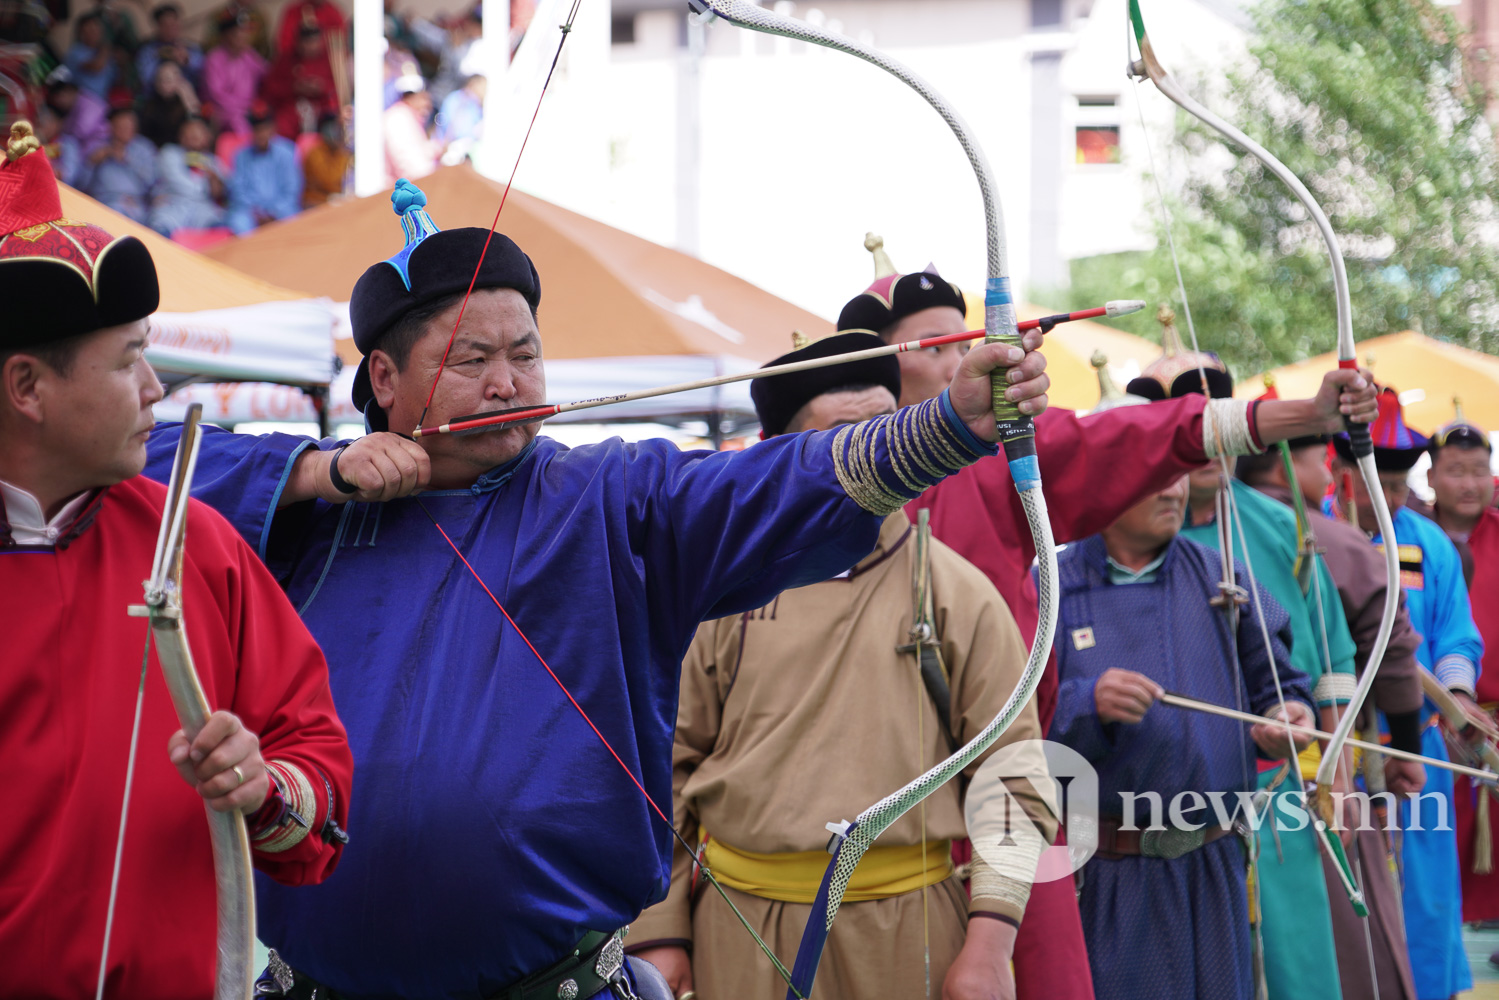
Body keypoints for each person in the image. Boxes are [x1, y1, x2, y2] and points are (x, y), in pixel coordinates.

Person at [140, 178, 1052, 999]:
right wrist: (316, 472)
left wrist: (950, 424)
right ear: (384, 378)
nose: (508, 383)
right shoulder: (305, 516)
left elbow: (773, 482)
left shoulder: (609, 499)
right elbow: (134, 468)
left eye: (526, 355)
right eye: (471, 359)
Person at [846, 235, 1379, 1000]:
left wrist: (1301, 411)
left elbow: (1130, 437)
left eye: (965, 337)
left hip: (1015, 809)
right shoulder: (812, 473)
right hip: (865, 822)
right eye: (934, 344)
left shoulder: (1006, 461)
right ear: (872, 368)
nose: (962, 356)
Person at [0, 121, 352, 997]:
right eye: (129, 361)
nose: (158, 389)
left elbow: (317, 777)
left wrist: (262, 786)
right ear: (27, 389)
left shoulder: (197, 544)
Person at [628, 332, 1056, 1000]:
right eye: (843, 435)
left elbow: (1014, 775)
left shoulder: (955, 592)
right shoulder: (715, 597)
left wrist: (989, 944)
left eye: (888, 426)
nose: (877, 451)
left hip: (906, 925)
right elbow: (660, 762)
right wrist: (660, 934)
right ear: (782, 455)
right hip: (741, 927)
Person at [1132, 310, 1356, 1000]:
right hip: (1157, 798)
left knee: (1292, 962)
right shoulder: (1118, 531)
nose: (1202, 447)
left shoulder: (1279, 526)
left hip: (1277, 783)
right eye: (1183, 428)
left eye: (1212, 424)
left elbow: (1329, 656)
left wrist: (1338, 760)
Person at [1049, 472, 1316, 1000]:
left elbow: (1282, 685)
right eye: (1153, 478)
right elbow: (1007, 724)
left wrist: (1288, 716)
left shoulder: (1225, 580)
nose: (1174, 491)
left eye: (1177, 476)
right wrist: (1086, 703)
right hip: (1107, 870)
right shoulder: (1049, 587)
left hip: (1213, 862)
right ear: (1106, 480)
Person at [1238, 434, 1425, 1000]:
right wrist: (1406, 749)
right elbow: (1391, 652)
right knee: (1350, 946)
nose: (1330, 468)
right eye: (1319, 457)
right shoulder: (1313, 536)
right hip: (1309, 776)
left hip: (1294, 765)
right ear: (1282, 464)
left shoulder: (1304, 536)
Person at [1328, 388, 1484, 1000]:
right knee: (1349, 887)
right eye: (1375, 486)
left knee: (1423, 890)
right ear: (1342, 474)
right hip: (1335, 748)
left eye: (1397, 487)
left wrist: (1457, 695)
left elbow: (1455, 633)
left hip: (1414, 750)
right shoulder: (1315, 537)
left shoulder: (1429, 542)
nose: (1388, 501)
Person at [1424, 407, 1499, 929]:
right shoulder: (1409, 536)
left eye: (1479, 471)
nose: (1470, 484)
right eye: (1456, 470)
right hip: (1429, 726)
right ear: (1430, 476)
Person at [226, 103, 302, 234]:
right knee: (238, 222)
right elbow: (238, 190)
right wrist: (257, 213)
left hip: (282, 210)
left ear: (273, 129)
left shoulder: (287, 152)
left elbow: (292, 190)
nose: (261, 134)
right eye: (257, 130)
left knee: (294, 220)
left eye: (265, 129)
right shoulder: (241, 155)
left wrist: (274, 212)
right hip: (251, 212)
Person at [149, 115, 227, 236]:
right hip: (173, 203)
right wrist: (204, 190)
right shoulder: (169, 152)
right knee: (161, 230)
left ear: (207, 137)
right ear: (181, 135)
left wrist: (214, 180)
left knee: (220, 227)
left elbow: (221, 190)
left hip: (201, 209)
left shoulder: (211, 160)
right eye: (190, 131)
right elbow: (178, 183)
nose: (194, 136)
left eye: (199, 132)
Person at [262, 24, 339, 140]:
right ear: (298, 42)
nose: (310, 46)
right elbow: (270, 89)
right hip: (291, 108)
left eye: (314, 41)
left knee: (334, 130)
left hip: (323, 110)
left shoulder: (331, 60)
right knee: (280, 128)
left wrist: (321, 88)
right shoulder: (285, 60)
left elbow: (340, 90)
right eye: (306, 42)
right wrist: (294, 87)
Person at [82, 106, 157, 224]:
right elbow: (80, 183)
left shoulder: (145, 148)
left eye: (128, 126)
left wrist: (128, 159)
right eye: (120, 126)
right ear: (111, 127)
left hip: (134, 203)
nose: (125, 130)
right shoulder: (98, 145)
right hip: (101, 202)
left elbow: (151, 182)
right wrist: (91, 163)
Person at [204, 9, 268, 136]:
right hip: (222, 111)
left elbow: (267, 75)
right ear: (226, 35)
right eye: (237, 33)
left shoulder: (249, 55)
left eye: (245, 32)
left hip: (248, 109)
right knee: (236, 120)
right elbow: (217, 95)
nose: (242, 36)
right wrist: (244, 107)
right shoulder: (214, 58)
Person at [383, 74, 440, 185]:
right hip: (394, 194)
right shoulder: (398, 118)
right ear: (407, 97)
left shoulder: (408, 117)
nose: (427, 104)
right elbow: (412, 167)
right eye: (422, 97)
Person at [136, 3, 203, 90]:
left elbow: (204, 70)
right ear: (158, 27)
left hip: (188, 97)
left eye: (174, 24)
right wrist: (163, 58)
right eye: (166, 25)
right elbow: (145, 78)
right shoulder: (148, 50)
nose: (171, 29)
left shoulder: (190, 47)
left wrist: (187, 60)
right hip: (159, 99)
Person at [137, 59, 199, 148]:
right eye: (160, 79)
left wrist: (189, 101)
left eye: (168, 80)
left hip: (184, 151)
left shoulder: (186, 103)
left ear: (179, 81)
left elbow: (196, 130)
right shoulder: (150, 105)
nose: (163, 84)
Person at [301, 111, 349, 208]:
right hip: (317, 204)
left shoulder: (342, 152)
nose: (340, 133)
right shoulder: (315, 154)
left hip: (338, 202)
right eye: (336, 129)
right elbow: (330, 183)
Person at [65, 12, 116, 102]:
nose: (95, 32)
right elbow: (97, 67)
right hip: (82, 102)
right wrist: (105, 49)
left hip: (102, 102)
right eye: (91, 29)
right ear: (81, 32)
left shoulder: (101, 52)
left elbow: (113, 78)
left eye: (97, 28)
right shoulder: (76, 52)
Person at [435, 73, 484, 163]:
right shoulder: (456, 99)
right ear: (472, 84)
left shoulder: (475, 105)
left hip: (465, 152)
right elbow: (447, 126)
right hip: (449, 150)